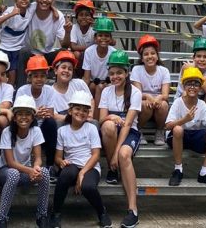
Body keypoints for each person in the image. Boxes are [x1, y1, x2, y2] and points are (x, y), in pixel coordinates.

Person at [50, 91, 111, 228]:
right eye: (77, 109)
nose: (81, 113)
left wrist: (82, 173)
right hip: (71, 165)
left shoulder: (91, 128)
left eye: (85, 110)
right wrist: (61, 162)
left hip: (90, 166)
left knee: (87, 187)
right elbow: (58, 157)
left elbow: (95, 155)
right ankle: (56, 213)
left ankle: (102, 212)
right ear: (70, 110)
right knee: (65, 175)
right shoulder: (62, 131)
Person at [98, 50, 142, 228]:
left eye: (119, 73)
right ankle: (112, 169)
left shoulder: (135, 92)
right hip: (112, 131)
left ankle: (133, 210)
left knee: (124, 155)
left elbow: (128, 124)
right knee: (107, 126)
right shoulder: (107, 91)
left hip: (129, 131)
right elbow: (101, 119)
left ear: (126, 73)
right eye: (112, 73)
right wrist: (111, 117)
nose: (115, 76)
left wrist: (116, 153)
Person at [0, 95, 50, 228]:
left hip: (26, 172)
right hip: (5, 172)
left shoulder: (36, 131)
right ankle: (1, 219)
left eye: (28, 114)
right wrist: (30, 170)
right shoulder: (7, 132)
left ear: (33, 117)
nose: (24, 117)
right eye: (20, 114)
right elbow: (10, 162)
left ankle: (42, 215)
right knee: (14, 173)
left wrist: (36, 168)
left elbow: (38, 158)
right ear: (14, 117)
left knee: (45, 173)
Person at [165, 67, 206, 188]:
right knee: (178, 129)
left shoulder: (201, 104)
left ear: (200, 87)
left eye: (196, 84)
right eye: (189, 83)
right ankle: (178, 170)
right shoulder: (178, 102)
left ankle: (204, 172)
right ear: (184, 86)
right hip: (178, 137)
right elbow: (167, 126)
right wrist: (184, 120)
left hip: (195, 136)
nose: (192, 87)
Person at [16, 55, 58, 166]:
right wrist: (35, 113)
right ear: (29, 78)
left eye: (42, 76)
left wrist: (35, 112)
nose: (39, 79)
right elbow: (17, 114)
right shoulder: (22, 90)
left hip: (43, 127)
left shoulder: (49, 90)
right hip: (26, 127)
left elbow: (50, 113)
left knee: (51, 122)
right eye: (35, 76)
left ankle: (50, 165)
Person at [130, 35, 170, 146]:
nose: (150, 56)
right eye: (146, 54)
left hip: (158, 103)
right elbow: (137, 93)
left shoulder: (164, 71)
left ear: (157, 56)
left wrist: (158, 98)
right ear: (141, 58)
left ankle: (160, 131)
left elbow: (165, 95)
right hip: (143, 104)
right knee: (145, 104)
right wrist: (148, 97)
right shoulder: (137, 70)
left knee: (164, 105)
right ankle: (139, 130)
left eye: (153, 53)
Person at [0, 0, 35, 86]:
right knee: (0, 71)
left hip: (17, 48)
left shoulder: (31, 9)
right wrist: (12, 14)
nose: (24, 0)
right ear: (16, 0)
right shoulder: (9, 10)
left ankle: (10, 95)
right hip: (4, 47)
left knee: (13, 74)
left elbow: (45, 3)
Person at [177, 37, 206, 130]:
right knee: (187, 92)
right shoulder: (187, 67)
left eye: (205, 57)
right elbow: (190, 86)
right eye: (198, 56)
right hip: (183, 101)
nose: (202, 59)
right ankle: (185, 128)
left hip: (201, 103)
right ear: (193, 58)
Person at [50, 49, 94, 123]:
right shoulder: (50, 92)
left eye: (70, 69)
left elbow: (91, 100)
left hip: (83, 120)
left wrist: (90, 114)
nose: (66, 71)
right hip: (63, 124)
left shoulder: (79, 84)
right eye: (63, 67)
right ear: (55, 70)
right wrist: (74, 119)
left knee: (94, 123)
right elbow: (53, 115)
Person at [82, 18, 116, 109]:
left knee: (101, 87)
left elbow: (115, 76)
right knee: (96, 87)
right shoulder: (89, 51)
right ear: (95, 38)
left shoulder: (113, 53)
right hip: (94, 83)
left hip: (110, 83)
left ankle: (97, 118)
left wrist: (106, 84)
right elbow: (86, 78)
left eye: (107, 35)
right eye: (100, 35)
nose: (103, 38)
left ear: (111, 38)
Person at [60, 0, 97, 72]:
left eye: (87, 15)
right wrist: (90, 47)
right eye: (81, 15)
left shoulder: (94, 30)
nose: (84, 17)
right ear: (77, 18)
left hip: (91, 55)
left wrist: (97, 27)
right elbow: (73, 47)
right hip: (79, 56)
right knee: (76, 54)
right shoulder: (74, 28)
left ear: (91, 18)